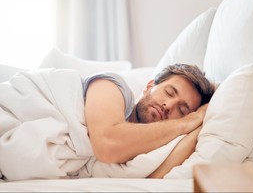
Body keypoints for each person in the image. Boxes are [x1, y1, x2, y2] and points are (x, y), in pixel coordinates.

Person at [83, 63, 215, 178]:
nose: (168, 105)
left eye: (182, 110)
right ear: (149, 86)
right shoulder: (113, 85)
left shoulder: (154, 148)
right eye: (169, 92)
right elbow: (107, 146)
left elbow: (154, 176)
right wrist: (187, 121)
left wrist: (199, 120)